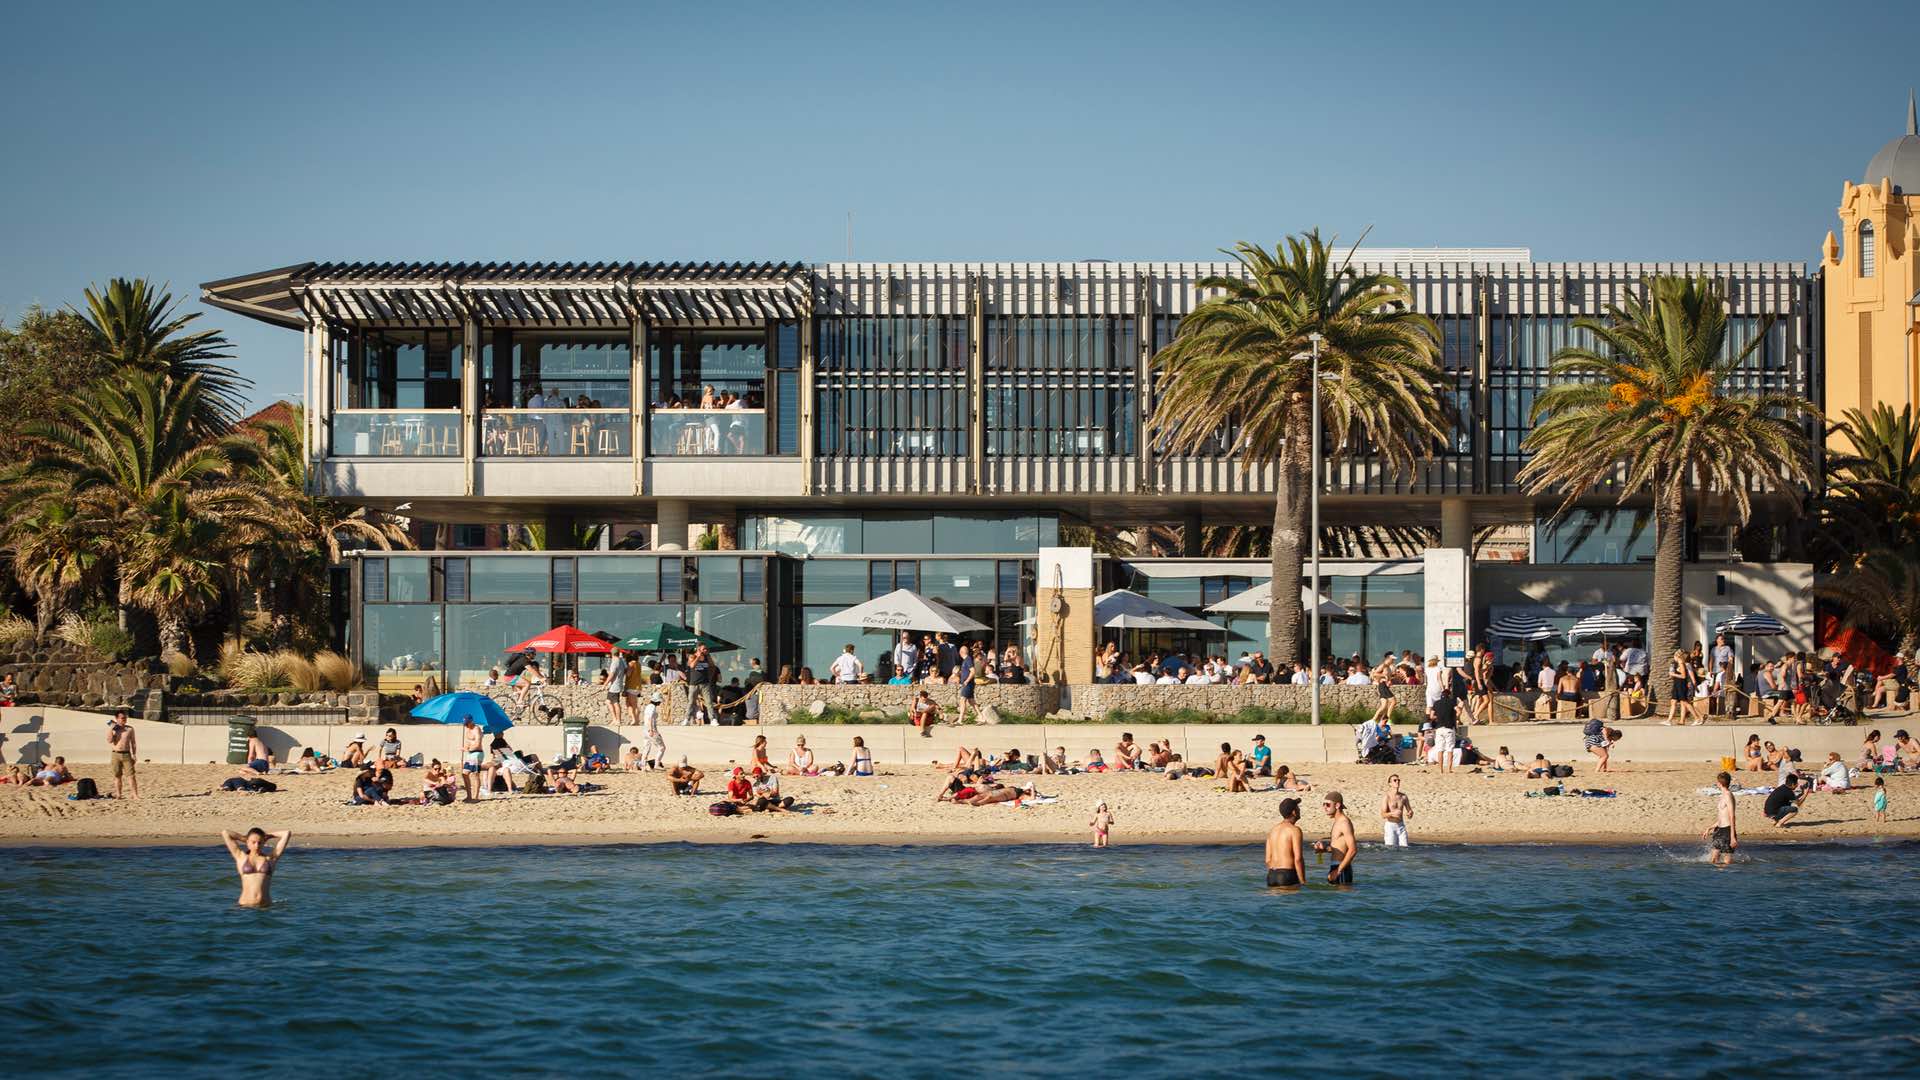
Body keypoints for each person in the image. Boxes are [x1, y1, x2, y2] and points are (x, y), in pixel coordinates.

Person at [221, 827, 291, 908]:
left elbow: (286, 833)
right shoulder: (240, 857)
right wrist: (244, 838)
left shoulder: (271, 859)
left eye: (260, 842)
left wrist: (268, 836)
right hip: (244, 907)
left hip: (265, 907)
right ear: (247, 842)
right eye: (253, 842)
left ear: (263, 842)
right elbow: (225, 832)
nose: (257, 845)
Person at [1313, 792, 1357, 885]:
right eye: (1323, 804)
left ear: (1337, 805)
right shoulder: (1337, 822)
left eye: (1328, 804)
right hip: (1336, 867)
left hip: (1342, 868)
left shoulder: (1344, 823)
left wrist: (1338, 870)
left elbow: (1353, 850)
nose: (1325, 807)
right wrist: (1324, 849)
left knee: (1342, 897)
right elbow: (1340, 848)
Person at [1264, 797, 1307, 888]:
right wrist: (1302, 881)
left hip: (1271, 875)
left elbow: (1268, 860)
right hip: (1287, 874)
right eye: (1298, 808)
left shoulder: (1272, 831)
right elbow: (1298, 859)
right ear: (1294, 812)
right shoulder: (1294, 830)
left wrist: (1275, 873)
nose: (1299, 810)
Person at [1705, 771, 1738, 866]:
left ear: (1719, 784)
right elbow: (1722, 817)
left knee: (1727, 863)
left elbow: (1732, 816)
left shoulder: (1728, 796)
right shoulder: (1722, 796)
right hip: (1719, 830)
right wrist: (1710, 827)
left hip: (1727, 830)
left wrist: (1732, 837)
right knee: (1713, 860)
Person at [107, 709, 139, 799]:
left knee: (131, 775)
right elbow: (109, 740)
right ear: (117, 718)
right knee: (117, 776)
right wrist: (111, 729)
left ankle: (135, 794)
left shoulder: (129, 729)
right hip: (115, 754)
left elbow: (133, 742)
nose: (124, 719)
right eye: (122, 718)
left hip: (126, 754)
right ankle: (119, 794)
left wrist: (134, 754)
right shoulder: (113, 729)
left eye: (125, 718)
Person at [1380, 774, 1412, 847]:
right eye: (1395, 780)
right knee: (1390, 848)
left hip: (1401, 826)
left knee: (1405, 848)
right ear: (1390, 784)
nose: (1397, 782)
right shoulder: (1387, 797)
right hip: (1390, 826)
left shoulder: (1403, 796)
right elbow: (1383, 814)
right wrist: (1392, 813)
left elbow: (1410, 811)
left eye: (1398, 780)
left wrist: (1410, 814)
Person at [460, 718, 485, 802]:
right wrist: (465, 747)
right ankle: (469, 796)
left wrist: (468, 749)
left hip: (477, 753)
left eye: (467, 723)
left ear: (471, 721)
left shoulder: (476, 729)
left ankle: (476, 796)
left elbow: (478, 744)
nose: (466, 725)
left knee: (475, 774)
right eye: (465, 724)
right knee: (465, 774)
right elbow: (468, 743)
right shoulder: (467, 730)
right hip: (470, 754)